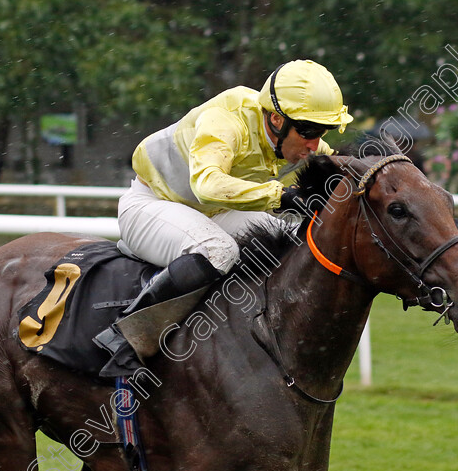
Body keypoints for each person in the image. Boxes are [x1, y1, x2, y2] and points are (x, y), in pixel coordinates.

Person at [95, 60, 353, 362]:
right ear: (276, 119)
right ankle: (124, 338)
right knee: (218, 250)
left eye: (324, 131)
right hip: (152, 204)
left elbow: (344, 170)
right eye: (309, 130)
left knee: (293, 239)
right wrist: (281, 196)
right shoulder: (225, 119)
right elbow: (208, 184)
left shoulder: (300, 141)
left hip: (215, 212)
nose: (315, 143)